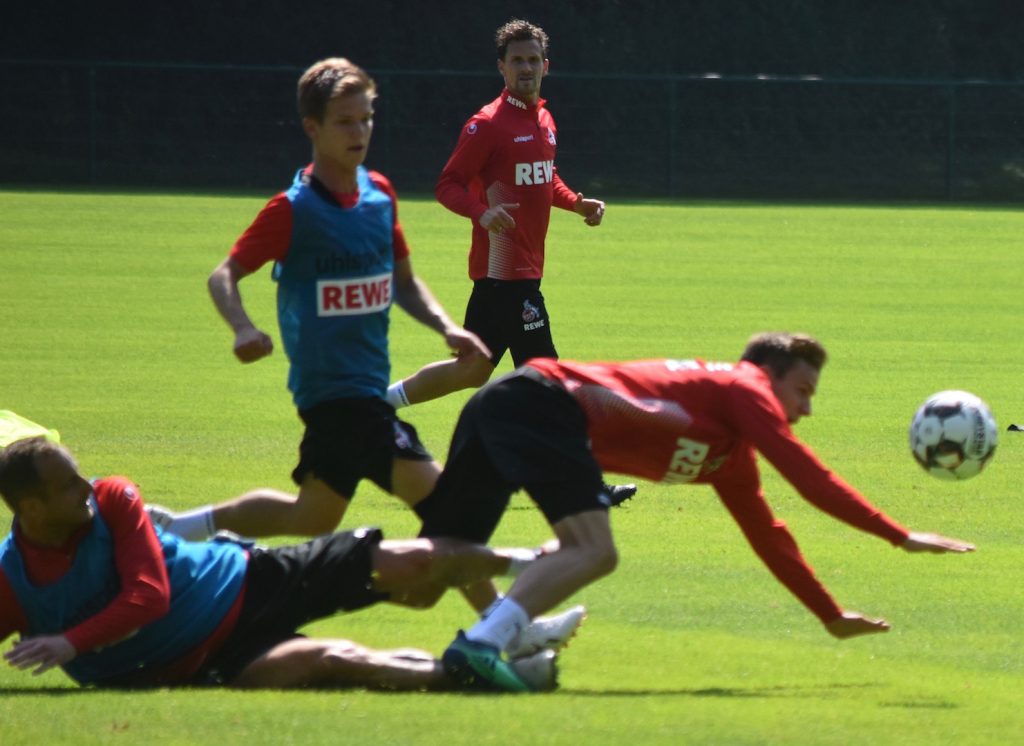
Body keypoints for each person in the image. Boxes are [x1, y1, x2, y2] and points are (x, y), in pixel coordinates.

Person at [143, 57, 585, 656]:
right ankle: (512, 632)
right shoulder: (292, 211)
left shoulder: (378, 195)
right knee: (449, 513)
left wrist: (447, 328)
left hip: (357, 396)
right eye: (344, 121)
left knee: (311, 515)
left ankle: (173, 530)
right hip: (341, 400)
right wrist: (243, 328)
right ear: (312, 128)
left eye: (366, 119)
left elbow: (402, 281)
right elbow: (224, 275)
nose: (359, 132)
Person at [412, 332, 977, 691]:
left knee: (436, 568)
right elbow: (808, 477)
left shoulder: (730, 459)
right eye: (802, 391)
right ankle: (485, 646)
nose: (805, 409)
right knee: (595, 551)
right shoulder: (744, 385)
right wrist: (897, 535)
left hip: (515, 402)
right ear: (769, 375)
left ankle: (506, 622)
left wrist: (828, 615)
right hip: (542, 401)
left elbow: (769, 535)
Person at [0, 436, 557, 691]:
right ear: (31, 507)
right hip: (206, 665)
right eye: (68, 485)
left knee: (404, 567)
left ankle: (532, 565)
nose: (85, 488)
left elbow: (149, 597)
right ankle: (483, 676)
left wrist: (69, 643)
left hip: (247, 580)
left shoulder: (113, 498)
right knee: (332, 660)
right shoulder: (11, 577)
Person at [381, 19, 636, 506]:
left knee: (473, 370)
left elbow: (545, 179)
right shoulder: (487, 124)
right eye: (516, 60)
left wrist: (577, 202)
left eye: (532, 60)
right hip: (505, 277)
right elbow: (447, 184)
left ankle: (379, 405)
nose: (525, 68)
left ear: (546, 66)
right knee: (552, 381)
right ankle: (585, 488)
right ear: (501, 67)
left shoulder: (543, 120)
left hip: (519, 274)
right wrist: (482, 213)